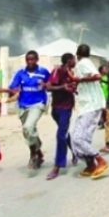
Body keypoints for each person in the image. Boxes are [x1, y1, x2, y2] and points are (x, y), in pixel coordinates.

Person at [2, 50, 50, 170]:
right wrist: (12, 91)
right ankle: (38, 152)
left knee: (28, 127)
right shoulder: (20, 73)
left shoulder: (43, 72)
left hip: (38, 104)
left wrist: (46, 85)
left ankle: (33, 154)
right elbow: (13, 87)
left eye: (32, 59)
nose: (30, 62)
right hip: (23, 106)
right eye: (28, 60)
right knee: (28, 131)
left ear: (37, 60)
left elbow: (50, 85)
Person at [69, 44, 109, 179]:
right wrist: (76, 84)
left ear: (77, 54)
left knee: (77, 138)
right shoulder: (83, 64)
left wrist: (79, 79)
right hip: (88, 105)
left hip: (91, 105)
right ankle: (90, 164)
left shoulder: (83, 63)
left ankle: (100, 160)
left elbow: (97, 76)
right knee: (82, 137)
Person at [45, 52, 76, 180]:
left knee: (60, 134)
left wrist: (73, 88)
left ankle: (57, 165)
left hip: (67, 108)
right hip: (56, 108)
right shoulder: (57, 71)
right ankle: (75, 151)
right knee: (63, 133)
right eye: (74, 59)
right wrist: (63, 87)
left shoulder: (71, 73)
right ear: (69, 60)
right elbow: (49, 88)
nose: (75, 62)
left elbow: (73, 88)